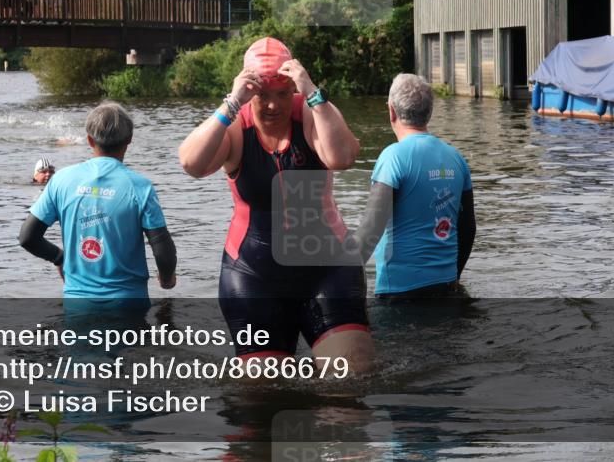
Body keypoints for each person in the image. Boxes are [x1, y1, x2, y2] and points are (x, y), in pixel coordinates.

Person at [178, 37, 373, 372]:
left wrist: (311, 90)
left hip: (327, 269)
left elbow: (342, 158)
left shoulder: (312, 111)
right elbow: (192, 165)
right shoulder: (236, 126)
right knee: (263, 398)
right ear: (248, 91)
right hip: (255, 275)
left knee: (352, 378)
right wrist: (231, 104)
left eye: (283, 94)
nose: (272, 105)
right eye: (261, 95)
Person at [19, 103, 177, 301]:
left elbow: (27, 237)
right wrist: (166, 278)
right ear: (129, 139)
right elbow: (161, 247)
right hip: (128, 303)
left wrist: (59, 258)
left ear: (89, 140)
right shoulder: (140, 187)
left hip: (78, 303)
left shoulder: (60, 180)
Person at [350, 74, 476, 298]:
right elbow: (468, 228)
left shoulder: (393, 158)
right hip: (446, 289)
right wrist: (454, 276)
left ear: (391, 111)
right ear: (430, 112)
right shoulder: (456, 158)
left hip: (399, 293)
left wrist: (336, 279)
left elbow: (370, 230)